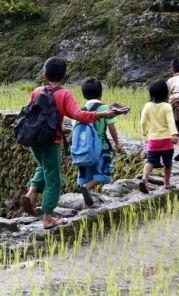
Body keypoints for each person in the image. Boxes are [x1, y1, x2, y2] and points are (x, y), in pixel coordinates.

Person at [19, 57, 117, 229]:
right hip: (51, 140)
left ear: (44, 74)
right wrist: (101, 115)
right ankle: (48, 217)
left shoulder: (36, 91)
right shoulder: (64, 94)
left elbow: (28, 115)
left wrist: (25, 139)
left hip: (34, 140)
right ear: (65, 75)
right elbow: (79, 115)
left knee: (43, 167)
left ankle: (31, 193)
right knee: (54, 178)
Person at [75, 77, 123, 208]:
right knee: (104, 174)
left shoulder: (80, 111)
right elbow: (111, 127)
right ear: (101, 93)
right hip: (101, 149)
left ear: (84, 94)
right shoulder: (105, 109)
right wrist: (117, 143)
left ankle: (86, 204)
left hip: (83, 151)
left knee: (86, 175)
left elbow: (76, 130)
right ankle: (87, 187)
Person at [139, 79, 179, 194]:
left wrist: (144, 131)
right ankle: (166, 183)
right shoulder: (167, 106)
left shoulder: (147, 106)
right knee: (168, 163)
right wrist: (174, 134)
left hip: (153, 141)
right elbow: (171, 122)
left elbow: (142, 122)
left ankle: (145, 179)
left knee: (150, 161)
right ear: (165, 93)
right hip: (166, 141)